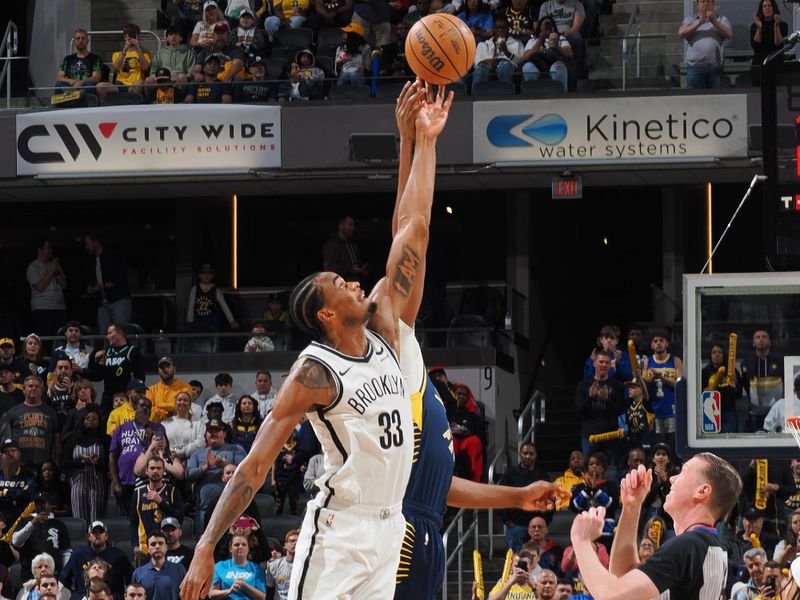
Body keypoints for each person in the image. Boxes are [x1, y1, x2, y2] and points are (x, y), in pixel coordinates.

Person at [180, 82, 452, 600]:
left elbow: (412, 229)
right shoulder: (314, 372)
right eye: (339, 283)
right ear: (326, 313)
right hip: (340, 532)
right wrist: (204, 547)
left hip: (390, 529)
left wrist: (422, 141)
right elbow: (254, 466)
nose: (354, 280)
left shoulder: (388, 331)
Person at [569, 453, 742, 599]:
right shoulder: (708, 543)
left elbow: (612, 595)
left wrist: (581, 541)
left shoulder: (689, 545)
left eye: (683, 472)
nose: (672, 479)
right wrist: (632, 507)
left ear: (702, 491)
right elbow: (623, 577)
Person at [109, 397, 166, 517]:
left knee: (146, 517)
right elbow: (113, 456)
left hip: (147, 481)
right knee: (127, 520)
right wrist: (115, 482)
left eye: (148, 407)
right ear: (135, 408)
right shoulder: (120, 428)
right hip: (125, 480)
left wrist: (146, 426)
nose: (145, 409)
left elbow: (160, 448)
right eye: (142, 406)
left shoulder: (158, 427)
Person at [186, 420, 247, 525]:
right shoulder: (197, 453)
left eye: (217, 430)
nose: (213, 434)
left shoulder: (236, 449)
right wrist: (207, 467)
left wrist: (225, 466)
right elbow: (188, 475)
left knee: (233, 538)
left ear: (224, 434)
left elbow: (246, 472)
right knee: (202, 540)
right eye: (210, 431)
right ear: (206, 435)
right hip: (203, 508)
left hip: (232, 508)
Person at [130, 456, 184, 564]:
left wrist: (161, 502)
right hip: (145, 548)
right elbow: (133, 522)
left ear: (164, 471)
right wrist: (135, 545)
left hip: (168, 547)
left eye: (159, 468)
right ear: (146, 471)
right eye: (152, 468)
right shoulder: (138, 493)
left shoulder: (173, 491)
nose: (155, 471)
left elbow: (179, 518)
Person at [575, 350, 626, 462]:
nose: (604, 365)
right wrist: (590, 398)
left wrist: (607, 400)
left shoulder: (618, 386)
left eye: (607, 363)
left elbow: (620, 410)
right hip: (589, 435)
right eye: (601, 362)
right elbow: (578, 411)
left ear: (610, 366)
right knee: (589, 468)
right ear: (594, 363)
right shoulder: (583, 385)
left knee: (612, 469)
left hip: (611, 435)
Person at [500, 442, 551, 551]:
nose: (528, 456)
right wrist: (506, 519)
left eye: (531, 453)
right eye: (525, 453)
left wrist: (546, 520)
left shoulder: (543, 475)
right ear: (520, 454)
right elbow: (500, 496)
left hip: (538, 526)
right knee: (516, 562)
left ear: (536, 455)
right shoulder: (510, 474)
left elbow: (551, 499)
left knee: (539, 563)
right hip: (517, 525)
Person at [60, 522, 134, 598]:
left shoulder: (118, 555)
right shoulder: (78, 555)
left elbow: (132, 578)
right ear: (89, 537)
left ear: (106, 536)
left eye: (101, 532)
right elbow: (64, 579)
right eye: (94, 532)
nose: (97, 535)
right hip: (84, 596)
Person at [61, 406, 108, 523]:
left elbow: (110, 464)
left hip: (98, 484)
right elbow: (64, 462)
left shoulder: (105, 440)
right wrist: (81, 462)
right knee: (80, 519)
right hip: (78, 483)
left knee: (97, 520)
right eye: (88, 419)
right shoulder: (73, 439)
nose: (91, 422)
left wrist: (97, 462)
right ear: (82, 420)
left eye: (95, 419)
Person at [0, 376, 59, 470]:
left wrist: (56, 462)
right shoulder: (12, 412)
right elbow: (4, 440)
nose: (33, 388)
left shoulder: (51, 412)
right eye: (30, 386)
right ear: (23, 390)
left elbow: (57, 440)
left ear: (42, 391)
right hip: (19, 466)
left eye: (37, 386)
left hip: (44, 468)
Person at [13, 493, 72, 581]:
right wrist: (32, 524)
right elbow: (15, 541)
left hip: (54, 575)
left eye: (43, 502)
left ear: (50, 505)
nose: (40, 505)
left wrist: (64, 573)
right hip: (30, 575)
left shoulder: (59, 524)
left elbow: (66, 552)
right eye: (38, 503)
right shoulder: (25, 521)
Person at [89, 324, 145, 416]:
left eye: (110, 333)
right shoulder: (107, 352)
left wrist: (136, 392)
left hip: (125, 396)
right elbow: (98, 376)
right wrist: (94, 360)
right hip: (108, 396)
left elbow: (140, 375)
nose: (107, 336)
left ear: (120, 333)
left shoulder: (132, 351)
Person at [84, 233, 131, 339]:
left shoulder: (114, 255)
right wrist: (90, 288)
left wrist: (108, 284)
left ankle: (122, 354)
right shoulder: (91, 260)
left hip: (118, 299)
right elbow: (90, 280)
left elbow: (121, 275)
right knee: (104, 335)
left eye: (88, 244)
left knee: (120, 332)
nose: (86, 247)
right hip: (102, 302)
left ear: (95, 242)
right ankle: (107, 354)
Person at [642, 330, 683, 449]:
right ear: (651, 345)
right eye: (655, 341)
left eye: (661, 340)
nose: (658, 343)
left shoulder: (675, 360)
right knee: (657, 444)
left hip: (672, 408)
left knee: (673, 442)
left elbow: (680, 386)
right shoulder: (646, 362)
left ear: (667, 344)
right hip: (654, 409)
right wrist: (651, 380)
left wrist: (662, 378)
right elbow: (643, 388)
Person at [678, 0, 732, 89]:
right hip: (694, 67)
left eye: (709, 1)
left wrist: (714, 21)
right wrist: (700, 22)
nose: (706, 4)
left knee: (717, 98)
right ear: (697, 5)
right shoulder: (690, 19)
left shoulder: (721, 19)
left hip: (715, 68)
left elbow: (729, 34)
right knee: (694, 98)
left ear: (713, 5)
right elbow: (681, 33)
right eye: (703, 1)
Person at [741, 328, 784, 431]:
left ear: (769, 342)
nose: (761, 339)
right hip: (755, 411)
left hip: (777, 410)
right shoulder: (746, 363)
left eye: (764, 337)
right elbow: (746, 385)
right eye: (758, 337)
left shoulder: (780, 361)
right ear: (753, 343)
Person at [26, 239, 67, 339]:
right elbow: (40, 287)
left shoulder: (54, 264)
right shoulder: (33, 267)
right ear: (40, 250)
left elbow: (64, 285)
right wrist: (52, 270)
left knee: (60, 339)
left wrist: (56, 271)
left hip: (59, 307)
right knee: (46, 339)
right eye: (48, 248)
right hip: (42, 308)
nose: (51, 250)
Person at [471, 17, 524, 94]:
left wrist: (506, 52)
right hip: (487, 68)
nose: (500, 30)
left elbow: (519, 62)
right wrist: (488, 61)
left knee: (504, 66)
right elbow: (476, 62)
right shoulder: (483, 44)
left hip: (507, 69)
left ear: (508, 29)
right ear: (493, 29)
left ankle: (507, 97)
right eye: (497, 28)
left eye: (503, 28)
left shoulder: (517, 43)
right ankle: (475, 97)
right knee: (481, 68)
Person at [520, 16, 571, 93]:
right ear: (540, 27)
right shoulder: (534, 40)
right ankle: (531, 95)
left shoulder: (560, 38)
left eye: (548, 24)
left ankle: (562, 95)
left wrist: (556, 46)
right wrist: (540, 41)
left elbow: (569, 54)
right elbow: (525, 57)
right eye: (543, 25)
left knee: (559, 67)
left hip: (555, 63)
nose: (545, 27)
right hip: (539, 65)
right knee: (527, 67)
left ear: (553, 26)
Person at [700, 343, 742, 434]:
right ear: (710, 356)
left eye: (720, 352)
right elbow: (700, 394)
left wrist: (735, 385)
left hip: (728, 411)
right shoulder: (704, 373)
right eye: (714, 352)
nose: (717, 354)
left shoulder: (732, 372)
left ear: (724, 355)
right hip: (710, 413)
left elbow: (739, 395)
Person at [133, 531, 186, 600]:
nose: (157, 546)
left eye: (160, 543)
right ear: (148, 549)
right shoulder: (138, 573)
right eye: (153, 544)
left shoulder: (179, 569)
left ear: (166, 547)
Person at [210, 535, 266, 600]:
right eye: (236, 545)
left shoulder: (256, 569)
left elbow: (262, 597)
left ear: (248, 549)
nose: (240, 547)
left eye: (244, 545)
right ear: (230, 549)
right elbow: (211, 594)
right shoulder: (220, 566)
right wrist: (229, 591)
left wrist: (245, 586)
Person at [185, 265, 239, 332]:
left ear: (213, 276)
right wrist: (189, 321)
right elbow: (191, 306)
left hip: (211, 320)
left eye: (209, 273)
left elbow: (224, 306)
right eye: (204, 273)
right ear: (200, 275)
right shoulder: (195, 289)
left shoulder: (216, 290)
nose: (206, 276)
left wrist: (231, 320)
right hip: (198, 320)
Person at [321, 213, 368, 284]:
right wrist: (350, 269)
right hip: (340, 289)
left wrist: (361, 270)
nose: (353, 227)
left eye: (353, 225)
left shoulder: (353, 245)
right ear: (341, 226)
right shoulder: (332, 245)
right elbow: (329, 268)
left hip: (354, 286)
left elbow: (355, 267)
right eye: (350, 224)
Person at [0, 438, 37, 524]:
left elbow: (27, 494)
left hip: (22, 523)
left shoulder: (29, 476)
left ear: (20, 454)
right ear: (1, 456)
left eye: (13, 450)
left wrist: (5, 492)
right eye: (6, 451)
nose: (10, 453)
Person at [146, 357, 193, 423]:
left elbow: (181, 408)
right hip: (156, 428)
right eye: (162, 367)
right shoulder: (151, 390)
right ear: (158, 370)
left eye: (168, 366)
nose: (164, 369)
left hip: (178, 426)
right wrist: (169, 413)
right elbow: (150, 412)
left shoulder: (185, 387)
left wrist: (158, 405)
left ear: (174, 369)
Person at [750, 0, 786, 85]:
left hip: (776, 61)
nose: (767, 8)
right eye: (764, 6)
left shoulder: (782, 25)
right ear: (761, 9)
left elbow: (778, 44)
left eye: (769, 6)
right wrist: (759, 27)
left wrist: (776, 26)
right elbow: (755, 46)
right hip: (759, 63)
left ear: (774, 8)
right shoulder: (754, 26)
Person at [110, 23, 151, 96]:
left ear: (138, 37)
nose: (131, 38)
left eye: (133, 35)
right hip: (120, 84)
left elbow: (145, 69)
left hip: (136, 83)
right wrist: (124, 50)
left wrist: (138, 48)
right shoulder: (116, 54)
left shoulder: (145, 54)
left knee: (138, 84)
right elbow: (116, 69)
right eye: (129, 35)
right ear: (125, 37)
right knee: (101, 86)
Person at [162, 391, 204, 461]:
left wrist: (180, 452)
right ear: (175, 404)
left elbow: (200, 443)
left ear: (190, 405)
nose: (182, 402)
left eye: (185, 400)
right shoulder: (165, 423)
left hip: (192, 460)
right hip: (169, 459)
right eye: (179, 400)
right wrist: (171, 453)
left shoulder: (199, 424)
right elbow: (161, 442)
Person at [265, 530, 298, 600]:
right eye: (292, 541)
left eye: (298, 541)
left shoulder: (306, 566)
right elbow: (270, 592)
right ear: (285, 545)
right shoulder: (273, 566)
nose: (295, 543)